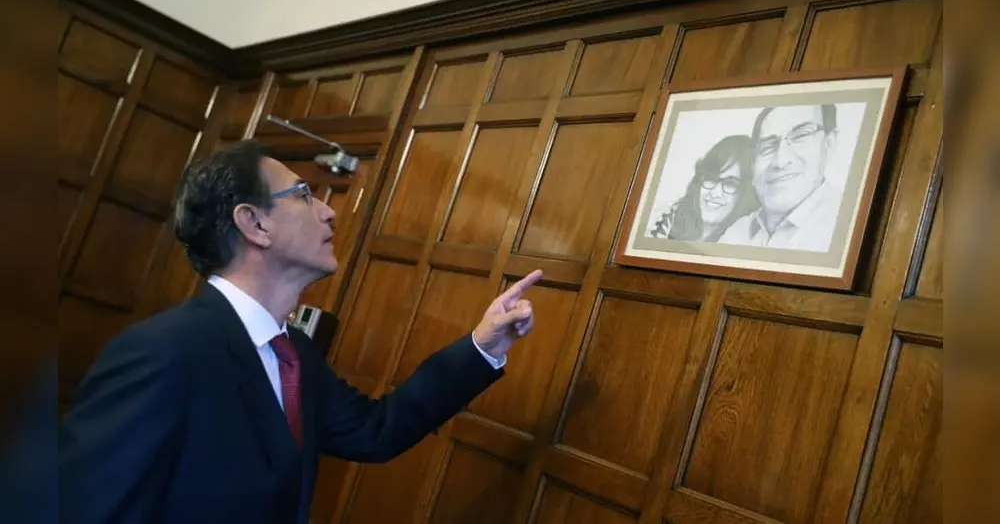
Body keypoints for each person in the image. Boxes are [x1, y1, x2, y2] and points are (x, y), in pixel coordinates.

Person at [58, 141, 543, 524]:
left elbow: (376, 431)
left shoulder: (295, 354)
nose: (330, 212)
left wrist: (484, 346)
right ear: (254, 223)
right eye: (304, 195)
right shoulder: (161, 353)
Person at [719, 104, 845, 251]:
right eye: (767, 146)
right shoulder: (737, 232)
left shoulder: (847, 228)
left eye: (800, 136)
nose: (780, 161)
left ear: (828, 144)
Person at [647, 135, 758, 242]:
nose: (715, 193)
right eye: (711, 178)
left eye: (730, 184)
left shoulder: (747, 241)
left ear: (745, 193)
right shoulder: (662, 223)